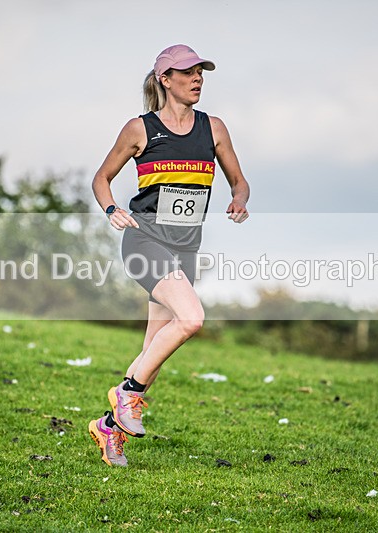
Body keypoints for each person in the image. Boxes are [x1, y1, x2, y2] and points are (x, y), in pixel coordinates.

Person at [89, 44, 250, 466]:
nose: (197, 79)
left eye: (201, 72)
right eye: (188, 72)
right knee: (192, 319)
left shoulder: (213, 128)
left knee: (152, 354)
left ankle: (108, 428)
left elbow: (239, 181)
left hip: (186, 248)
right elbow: (101, 178)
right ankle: (126, 394)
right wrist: (111, 209)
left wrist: (239, 199)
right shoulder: (139, 129)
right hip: (145, 240)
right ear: (165, 79)